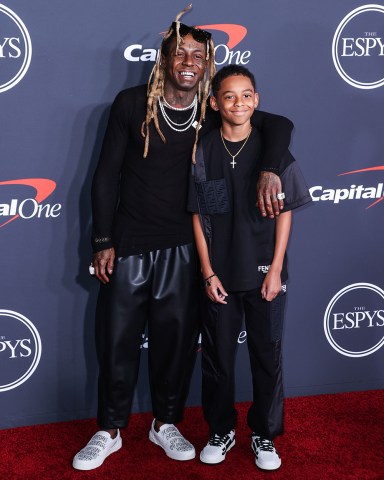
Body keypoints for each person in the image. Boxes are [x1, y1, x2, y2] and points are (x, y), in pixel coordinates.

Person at [72, 5, 293, 471]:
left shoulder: (211, 113)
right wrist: (102, 240)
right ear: (164, 60)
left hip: (185, 247)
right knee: (116, 340)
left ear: (207, 66)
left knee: (174, 343)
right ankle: (109, 430)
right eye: (180, 52)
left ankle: (165, 423)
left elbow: (277, 124)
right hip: (129, 241)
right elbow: (105, 175)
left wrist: (270, 167)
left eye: (198, 54)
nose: (189, 60)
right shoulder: (131, 103)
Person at [189, 65, 311, 470]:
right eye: (228, 96)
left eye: (246, 95)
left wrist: (275, 269)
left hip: (266, 277)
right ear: (214, 103)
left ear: (256, 100)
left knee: (267, 355)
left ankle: (264, 435)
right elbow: (198, 214)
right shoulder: (203, 150)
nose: (238, 103)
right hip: (220, 278)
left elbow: (286, 214)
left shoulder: (274, 150)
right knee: (218, 360)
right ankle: (220, 430)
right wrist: (207, 271)